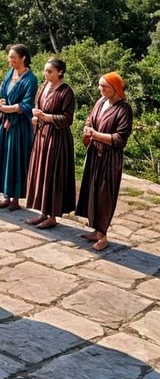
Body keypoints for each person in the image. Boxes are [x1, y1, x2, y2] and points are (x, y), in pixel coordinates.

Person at [76, 72, 131, 252]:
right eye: (100, 86)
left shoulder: (124, 109)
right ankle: (96, 230)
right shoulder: (100, 102)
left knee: (104, 195)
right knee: (92, 192)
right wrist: (87, 129)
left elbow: (120, 138)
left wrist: (96, 135)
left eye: (105, 87)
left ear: (116, 89)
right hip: (94, 155)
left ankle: (103, 236)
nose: (101, 89)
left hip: (109, 159)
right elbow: (90, 119)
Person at [25, 58, 76, 230]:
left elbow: (68, 118)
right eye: (45, 71)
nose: (46, 74)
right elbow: (37, 106)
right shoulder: (43, 86)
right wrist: (35, 115)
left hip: (57, 138)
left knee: (52, 174)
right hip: (41, 136)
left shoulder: (66, 91)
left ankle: (52, 216)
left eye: (50, 71)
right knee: (41, 172)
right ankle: (42, 212)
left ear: (60, 72)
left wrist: (47, 117)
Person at [0, 44, 38, 211]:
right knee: (3, 157)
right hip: (5, 123)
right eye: (9, 57)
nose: (10, 60)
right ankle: (6, 195)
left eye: (13, 57)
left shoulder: (30, 79)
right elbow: (3, 94)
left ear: (23, 58)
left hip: (19, 126)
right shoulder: (11, 73)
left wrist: (8, 109)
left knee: (15, 160)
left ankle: (16, 198)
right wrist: (0, 105)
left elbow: (26, 104)